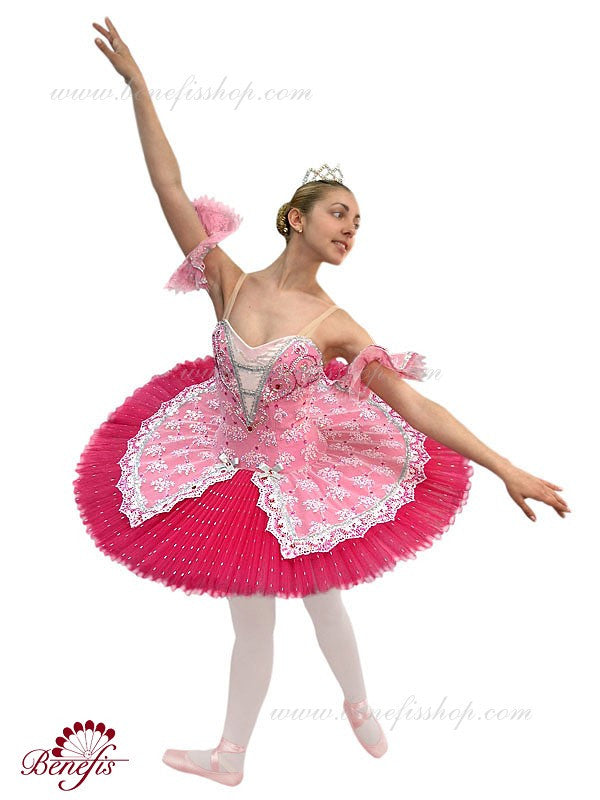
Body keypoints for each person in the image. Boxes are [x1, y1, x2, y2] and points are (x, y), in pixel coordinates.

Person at [75, 17, 571, 788]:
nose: (351, 230)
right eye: (341, 214)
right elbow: (169, 187)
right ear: (296, 218)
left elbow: (415, 407)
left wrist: (506, 466)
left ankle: (356, 701)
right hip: (219, 451)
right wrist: (139, 87)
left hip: (300, 462)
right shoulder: (228, 279)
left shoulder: (337, 323)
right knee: (251, 614)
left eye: (359, 224)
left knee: (320, 594)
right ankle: (231, 757)